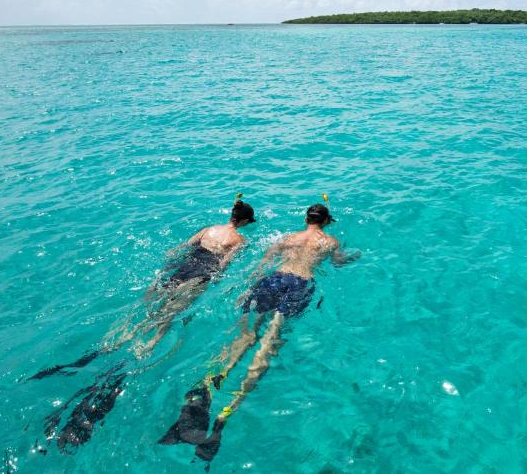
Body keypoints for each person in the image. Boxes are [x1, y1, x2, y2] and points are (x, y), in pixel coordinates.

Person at [29, 194, 256, 452]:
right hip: (202, 272)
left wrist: (169, 265)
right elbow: (223, 266)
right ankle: (149, 345)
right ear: (246, 221)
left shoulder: (208, 229)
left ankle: (124, 334)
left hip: (184, 265)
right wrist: (216, 280)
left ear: (231, 215)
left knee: (148, 305)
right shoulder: (240, 240)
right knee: (170, 313)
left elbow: (179, 249)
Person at [159, 203, 360, 461]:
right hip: (300, 283)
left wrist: (248, 286)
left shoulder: (290, 238)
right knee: (269, 343)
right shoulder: (330, 241)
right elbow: (339, 263)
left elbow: (265, 260)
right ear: (326, 221)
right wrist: (353, 255)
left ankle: (208, 387)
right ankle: (227, 411)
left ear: (305, 218)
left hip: (273, 279)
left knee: (246, 336)